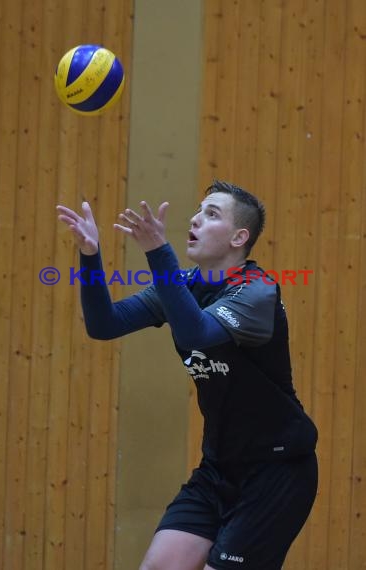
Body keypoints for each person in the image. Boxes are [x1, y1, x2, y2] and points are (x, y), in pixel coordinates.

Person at [57, 180, 318, 570]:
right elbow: (104, 324)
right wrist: (90, 255)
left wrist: (157, 252)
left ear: (238, 237)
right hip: (219, 467)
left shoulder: (257, 292)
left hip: (277, 471)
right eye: (198, 210)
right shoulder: (184, 288)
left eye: (212, 214)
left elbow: (197, 333)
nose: (195, 219)